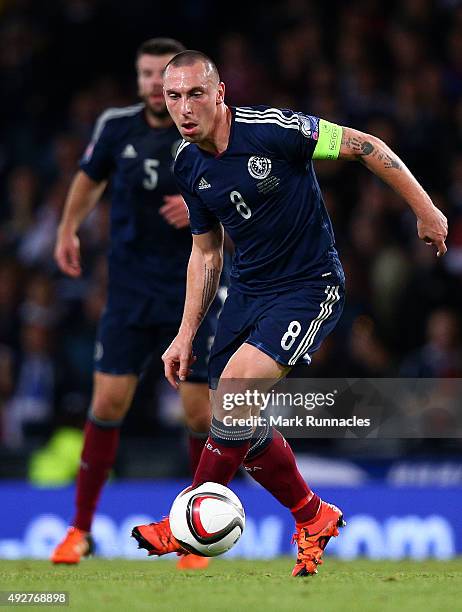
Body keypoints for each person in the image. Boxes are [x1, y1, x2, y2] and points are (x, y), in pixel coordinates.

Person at [131, 51, 448, 577]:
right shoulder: (187, 163)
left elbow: (365, 146)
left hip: (308, 286)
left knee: (235, 394)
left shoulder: (274, 131)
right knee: (234, 418)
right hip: (248, 292)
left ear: (220, 93)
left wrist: (425, 209)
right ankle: (313, 514)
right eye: (173, 97)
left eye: (195, 95)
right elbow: (207, 253)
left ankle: (186, 515)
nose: (184, 108)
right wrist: (185, 333)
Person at [51, 39, 224, 570]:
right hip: (128, 293)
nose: (154, 84)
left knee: (199, 412)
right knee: (106, 406)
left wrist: (200, 200)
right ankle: (79, 531)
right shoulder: (116, 126)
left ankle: (197, 537)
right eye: (146, 74)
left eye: (162, 76)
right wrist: (68, 228)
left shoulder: (204, 130)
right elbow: (88, 178)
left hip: (188, 291)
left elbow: (240, 195)